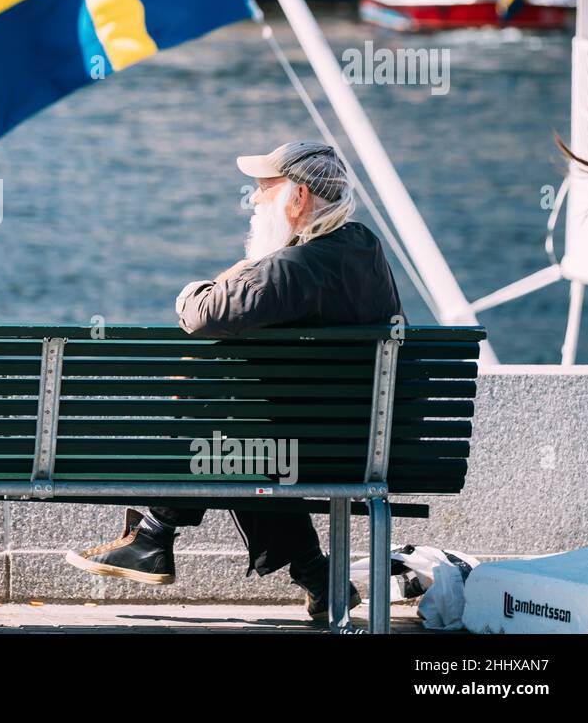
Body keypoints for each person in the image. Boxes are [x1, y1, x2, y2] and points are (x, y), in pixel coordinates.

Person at [64, 141, 406, 622]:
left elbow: (205, 313)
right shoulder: (362, 248)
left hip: (303, 449)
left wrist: (192, 290)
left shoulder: (296, 267)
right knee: (245, 425)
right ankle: (314, 575)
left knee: (233, 433)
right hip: (365, 445)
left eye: (264, 189)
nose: (255, 201)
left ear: (299, 198)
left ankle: (154, 534)